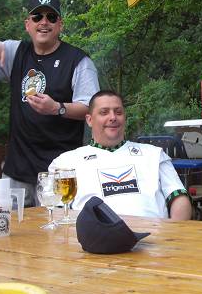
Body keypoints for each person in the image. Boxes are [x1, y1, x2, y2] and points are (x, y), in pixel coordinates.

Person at [0, 0, 100, 206]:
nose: (44, 22)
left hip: (60, 171)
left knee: (56, 226)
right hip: (18, 170)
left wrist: (56, 108)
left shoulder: (78, 61)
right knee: (12, 226)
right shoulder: (16, 51)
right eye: (37, 17)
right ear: (28, 24)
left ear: (60, 25)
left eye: (51, 17)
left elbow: (92, 109)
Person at [49, 90, 192, 220]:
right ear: (89, 120)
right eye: (104, 112)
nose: (113, 117)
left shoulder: (154, 154)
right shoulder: (65, 162)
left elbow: (179, 197)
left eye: (118, 112)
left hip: (154, 235)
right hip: (93, 238)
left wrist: (174, 234)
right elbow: (55, 210)